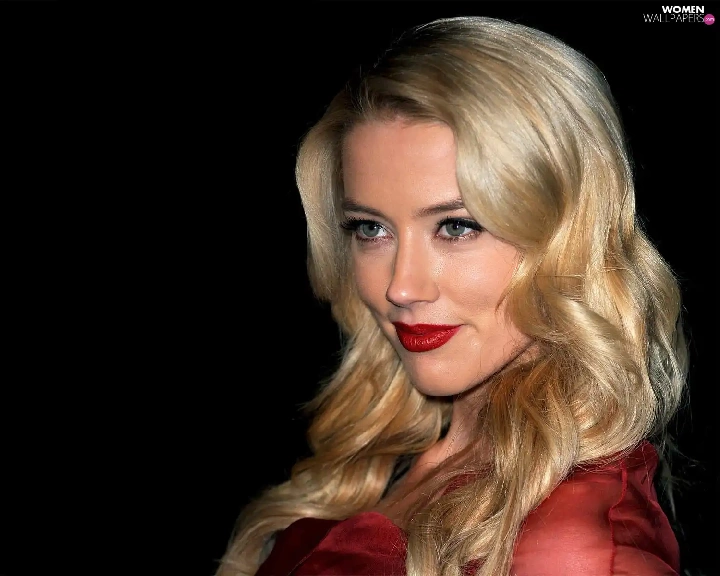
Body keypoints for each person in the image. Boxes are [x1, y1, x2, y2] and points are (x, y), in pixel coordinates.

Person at [216, 16, 688, 576]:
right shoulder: (384, 458)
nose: (400, 286)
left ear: (571, 234)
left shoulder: (571, 545)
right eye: (370, 229)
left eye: (457, 226)